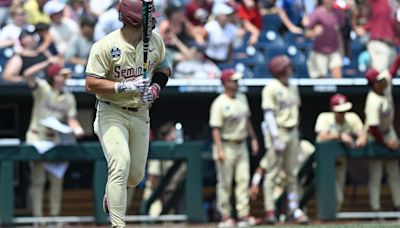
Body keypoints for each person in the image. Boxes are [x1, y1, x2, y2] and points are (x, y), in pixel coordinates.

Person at [84, 0, 171, 226]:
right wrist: (123, 86)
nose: (152, 22)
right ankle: (118, 224)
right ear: (133, 19)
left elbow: (164, 67)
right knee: (119, 165)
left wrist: (155, 88)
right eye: (147, 18)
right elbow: (90, 83)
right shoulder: (105, 45)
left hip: (141, 112)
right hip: (112, 110)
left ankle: (112, 194)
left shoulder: (155, 41)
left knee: (134, 177)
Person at [24, 62, 84, 217]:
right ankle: (38, 220)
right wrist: (46, 63)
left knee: (57, 180)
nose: (63, 78)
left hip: (54, 139)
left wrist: (77, 129)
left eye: (64, 75)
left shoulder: (69, 97)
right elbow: (27, 75)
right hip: (37, 137)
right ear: (53, 76)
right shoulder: (43, 88)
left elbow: (72, 119)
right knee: (38, 180)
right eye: (60, 75)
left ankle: (54, 218)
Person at [260, 55, 308, 224]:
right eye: (286, 66)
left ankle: (294, 208)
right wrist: (274, 137)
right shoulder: (270, 87)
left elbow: (297, 111)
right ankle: (269, 209)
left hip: (292, 131)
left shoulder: (293, 87)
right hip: (278, 132)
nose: (290, 68)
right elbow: (268, 114)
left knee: (292, 174)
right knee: (272, 173)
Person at [209, 68, 260, 227]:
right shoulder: (219, 103)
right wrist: (220, 149)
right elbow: (215, 129)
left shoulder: (242, 98)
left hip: (241, 143)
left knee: (243, 180)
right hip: (226, 144)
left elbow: (247, 121)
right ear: (226, 83)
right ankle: (225, 216)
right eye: (234, 80)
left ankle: (243, 215)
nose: (237, 83)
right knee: (225, 183)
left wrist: (253, 138)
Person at [314, 93, 366, 211]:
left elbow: (362, 133)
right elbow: (322, 136)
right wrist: (340, 136)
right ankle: (327, 218)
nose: (343, 114)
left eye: (345, 111)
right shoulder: (325, 117)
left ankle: (332, 219)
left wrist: (361, 139)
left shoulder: (351, 118)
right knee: (331, 194)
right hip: (324, 163)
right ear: (333, 110)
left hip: (340, 162)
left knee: (339, 196)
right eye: (340, 111)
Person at [364, 55, 400, 212]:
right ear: (374, 84)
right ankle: (375, 209)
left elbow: (393, 70)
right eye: (379, 80)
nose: (384, 81)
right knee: (376, 174)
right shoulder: (372, 101)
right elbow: (373, 127)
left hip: (388, 131)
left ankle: (398, 205)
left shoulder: (385, 85)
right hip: (375, 136)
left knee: (394, 171)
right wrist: (387, 143)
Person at [142, 121, 187, 216]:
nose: (174, 138)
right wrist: (162, 195)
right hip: (155, 194)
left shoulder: (179, 152)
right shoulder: (157, 152)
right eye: (171, 135)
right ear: (165, 137)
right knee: (154, 216)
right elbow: (153, 179)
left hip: (173, 194)